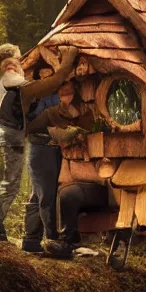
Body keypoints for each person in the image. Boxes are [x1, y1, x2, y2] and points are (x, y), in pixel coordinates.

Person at [22, 79, 104, 257]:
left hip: (55, 155)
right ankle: (45, 240)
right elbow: (31, 129)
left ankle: (43, 241)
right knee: (44, 196)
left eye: (69, 95)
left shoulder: (82, 111)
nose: (65, 99)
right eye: (61, 95)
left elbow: (86, 126)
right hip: (42, 149)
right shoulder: (46, 110)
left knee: (45, 195)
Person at [0, 44, 27, 241]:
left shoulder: (11, 77)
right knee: (10, 184)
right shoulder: (10, 75)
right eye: (18, 58)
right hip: (11, 137)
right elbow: (28, 86)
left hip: (13, 136)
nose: (20, 61)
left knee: (13, 184)